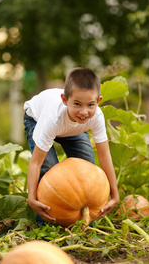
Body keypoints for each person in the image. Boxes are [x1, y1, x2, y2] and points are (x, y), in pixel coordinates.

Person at [23, 67, 119, 225]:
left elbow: (104, 156)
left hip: (74, 128)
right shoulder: (51, 118)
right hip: (36, 118)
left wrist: (115, 195)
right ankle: (44, 225)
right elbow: (36, 162)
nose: (84, 111)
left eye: (90, 105)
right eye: (77, 104)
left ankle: (87, 225)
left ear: (98, 101)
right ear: (65, 100)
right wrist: (31, 199)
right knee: (48, 168)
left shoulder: (96, 117)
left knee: (88, 169)